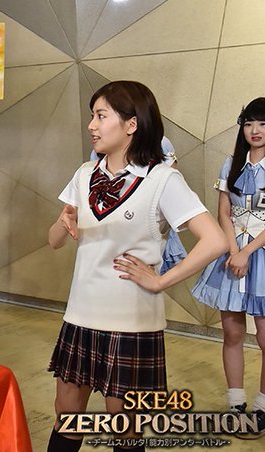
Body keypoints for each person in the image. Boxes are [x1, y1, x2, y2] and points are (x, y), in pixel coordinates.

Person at [47, 80, 227, 452]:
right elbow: (54, 240)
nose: (92, 125)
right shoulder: (85, 173)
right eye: (92, 116)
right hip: (80, 315)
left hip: (131, 323)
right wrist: (63, 223)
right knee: (66, 417)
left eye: (101, 116)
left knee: (125, 428)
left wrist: (160, 281)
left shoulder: (162, 178)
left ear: (131, 124)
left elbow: (215, 241)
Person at [192, 97, 265, 437]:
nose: (255, 130)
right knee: (232, 333)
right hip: (232, 254)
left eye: (262, 124)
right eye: (249, 123)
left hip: (260, 255)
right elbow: (223, 211)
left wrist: (247, 251)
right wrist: (234, 249)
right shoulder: (230, 164)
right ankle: (236, 404)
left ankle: (263, 407)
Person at [92, 136, 187, 274]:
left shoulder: (160, 142)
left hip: (148, 230)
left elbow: (172, 189)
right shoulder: (101, 146)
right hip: (108, 232)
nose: (92, 126)